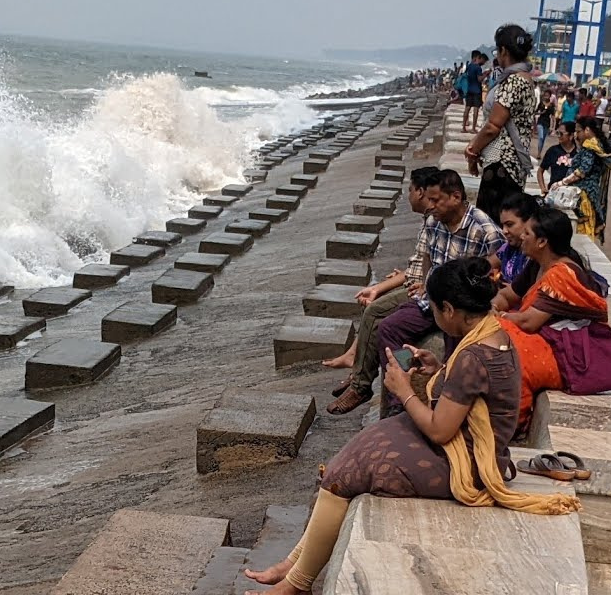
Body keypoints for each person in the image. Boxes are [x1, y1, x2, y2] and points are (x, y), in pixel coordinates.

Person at [242, 258, 581, 595]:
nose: (432, 315)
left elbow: (439, 431)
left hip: (466, 461)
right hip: (472, 444)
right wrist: (437, 370)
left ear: (448, 309)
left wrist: (403, 391)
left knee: (341, 477)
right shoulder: (493, 335)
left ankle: (297, 585)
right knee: (339, 466)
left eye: (432, 309)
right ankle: (294, 565)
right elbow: (471, 395)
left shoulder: (474, 356)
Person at [368, 170, 505, 419]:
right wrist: (423, 283)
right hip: (431, 301)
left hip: (461, 308)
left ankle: (444, 406)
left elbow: (499, 267)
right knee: (389, 328)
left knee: (456, 350)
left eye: (435, 200)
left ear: (455, 196)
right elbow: (427, 257)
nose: (430, 207)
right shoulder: (433, 222)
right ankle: (398, 401)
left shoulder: (484, 229)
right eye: (428, 200)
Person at [324, 167, 442, 413]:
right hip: (423, 289)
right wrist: (378, 287)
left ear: (421, 192)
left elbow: (422, 273)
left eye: (410, 190)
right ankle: (358, 365)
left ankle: (362, 383)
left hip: (430, 297)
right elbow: (415, 270)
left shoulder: (437, 223)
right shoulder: (431, 223)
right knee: (376, 308)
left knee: (379, 317)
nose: (409, 195)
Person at [494, 209, 611, 436]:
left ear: (542, 241)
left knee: (504, 339)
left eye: (527, 232)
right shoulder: (538, 264)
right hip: (550, 340)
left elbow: (529, 322)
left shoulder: (561, 273)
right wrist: (492, 307)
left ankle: (513, 422)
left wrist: (498, 317)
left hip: (572, 354)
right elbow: (508, 296)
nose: (521, 236)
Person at [465, 24, 536, 218]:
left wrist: (472, 149)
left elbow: (493, 126)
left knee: (490, 224)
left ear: (503, 50)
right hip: (512, 163)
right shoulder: (526, 78)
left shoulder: (513, 81)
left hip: (502, 163)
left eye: (497, 50)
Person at [552, 118, 611, 243]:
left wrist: (562, 183)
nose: (576, 135)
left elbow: (582, 171)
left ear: (587, 130)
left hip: (585, 194)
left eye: (578, 131)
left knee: (583, 232)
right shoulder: (596, 145)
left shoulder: (590, 147)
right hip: (588, 192)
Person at [537, 122, 577, 193]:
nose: (558, 136)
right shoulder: (553, 151)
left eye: (561, 134)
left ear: (571, 135)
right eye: (557, 133)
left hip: (572, 193)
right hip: (554, 192)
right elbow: (540, 170)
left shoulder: (579, 153)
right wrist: (542, 188)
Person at [461, 51, 486, 134]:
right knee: (476, 109)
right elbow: (479, 79)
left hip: (469, 89)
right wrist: (485, 74)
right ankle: (473, 128)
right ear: (477, 57)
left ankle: (463, 127)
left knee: (467, 108)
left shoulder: (469, 66)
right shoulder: (478, 68)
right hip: (477, 90)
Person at [535, 91, 555, 156]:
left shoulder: (551, 105)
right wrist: (541, 113)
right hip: (540, 121)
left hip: (547, 123)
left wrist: (553, 126)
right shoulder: (541, 104)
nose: (546, 96)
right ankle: (538, 153)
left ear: (550, 96)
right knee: (540, 137)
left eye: (547, 95)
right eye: (545, 95)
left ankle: (539, 152)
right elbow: (535, 112)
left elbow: (553, 116)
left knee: (543, 139)